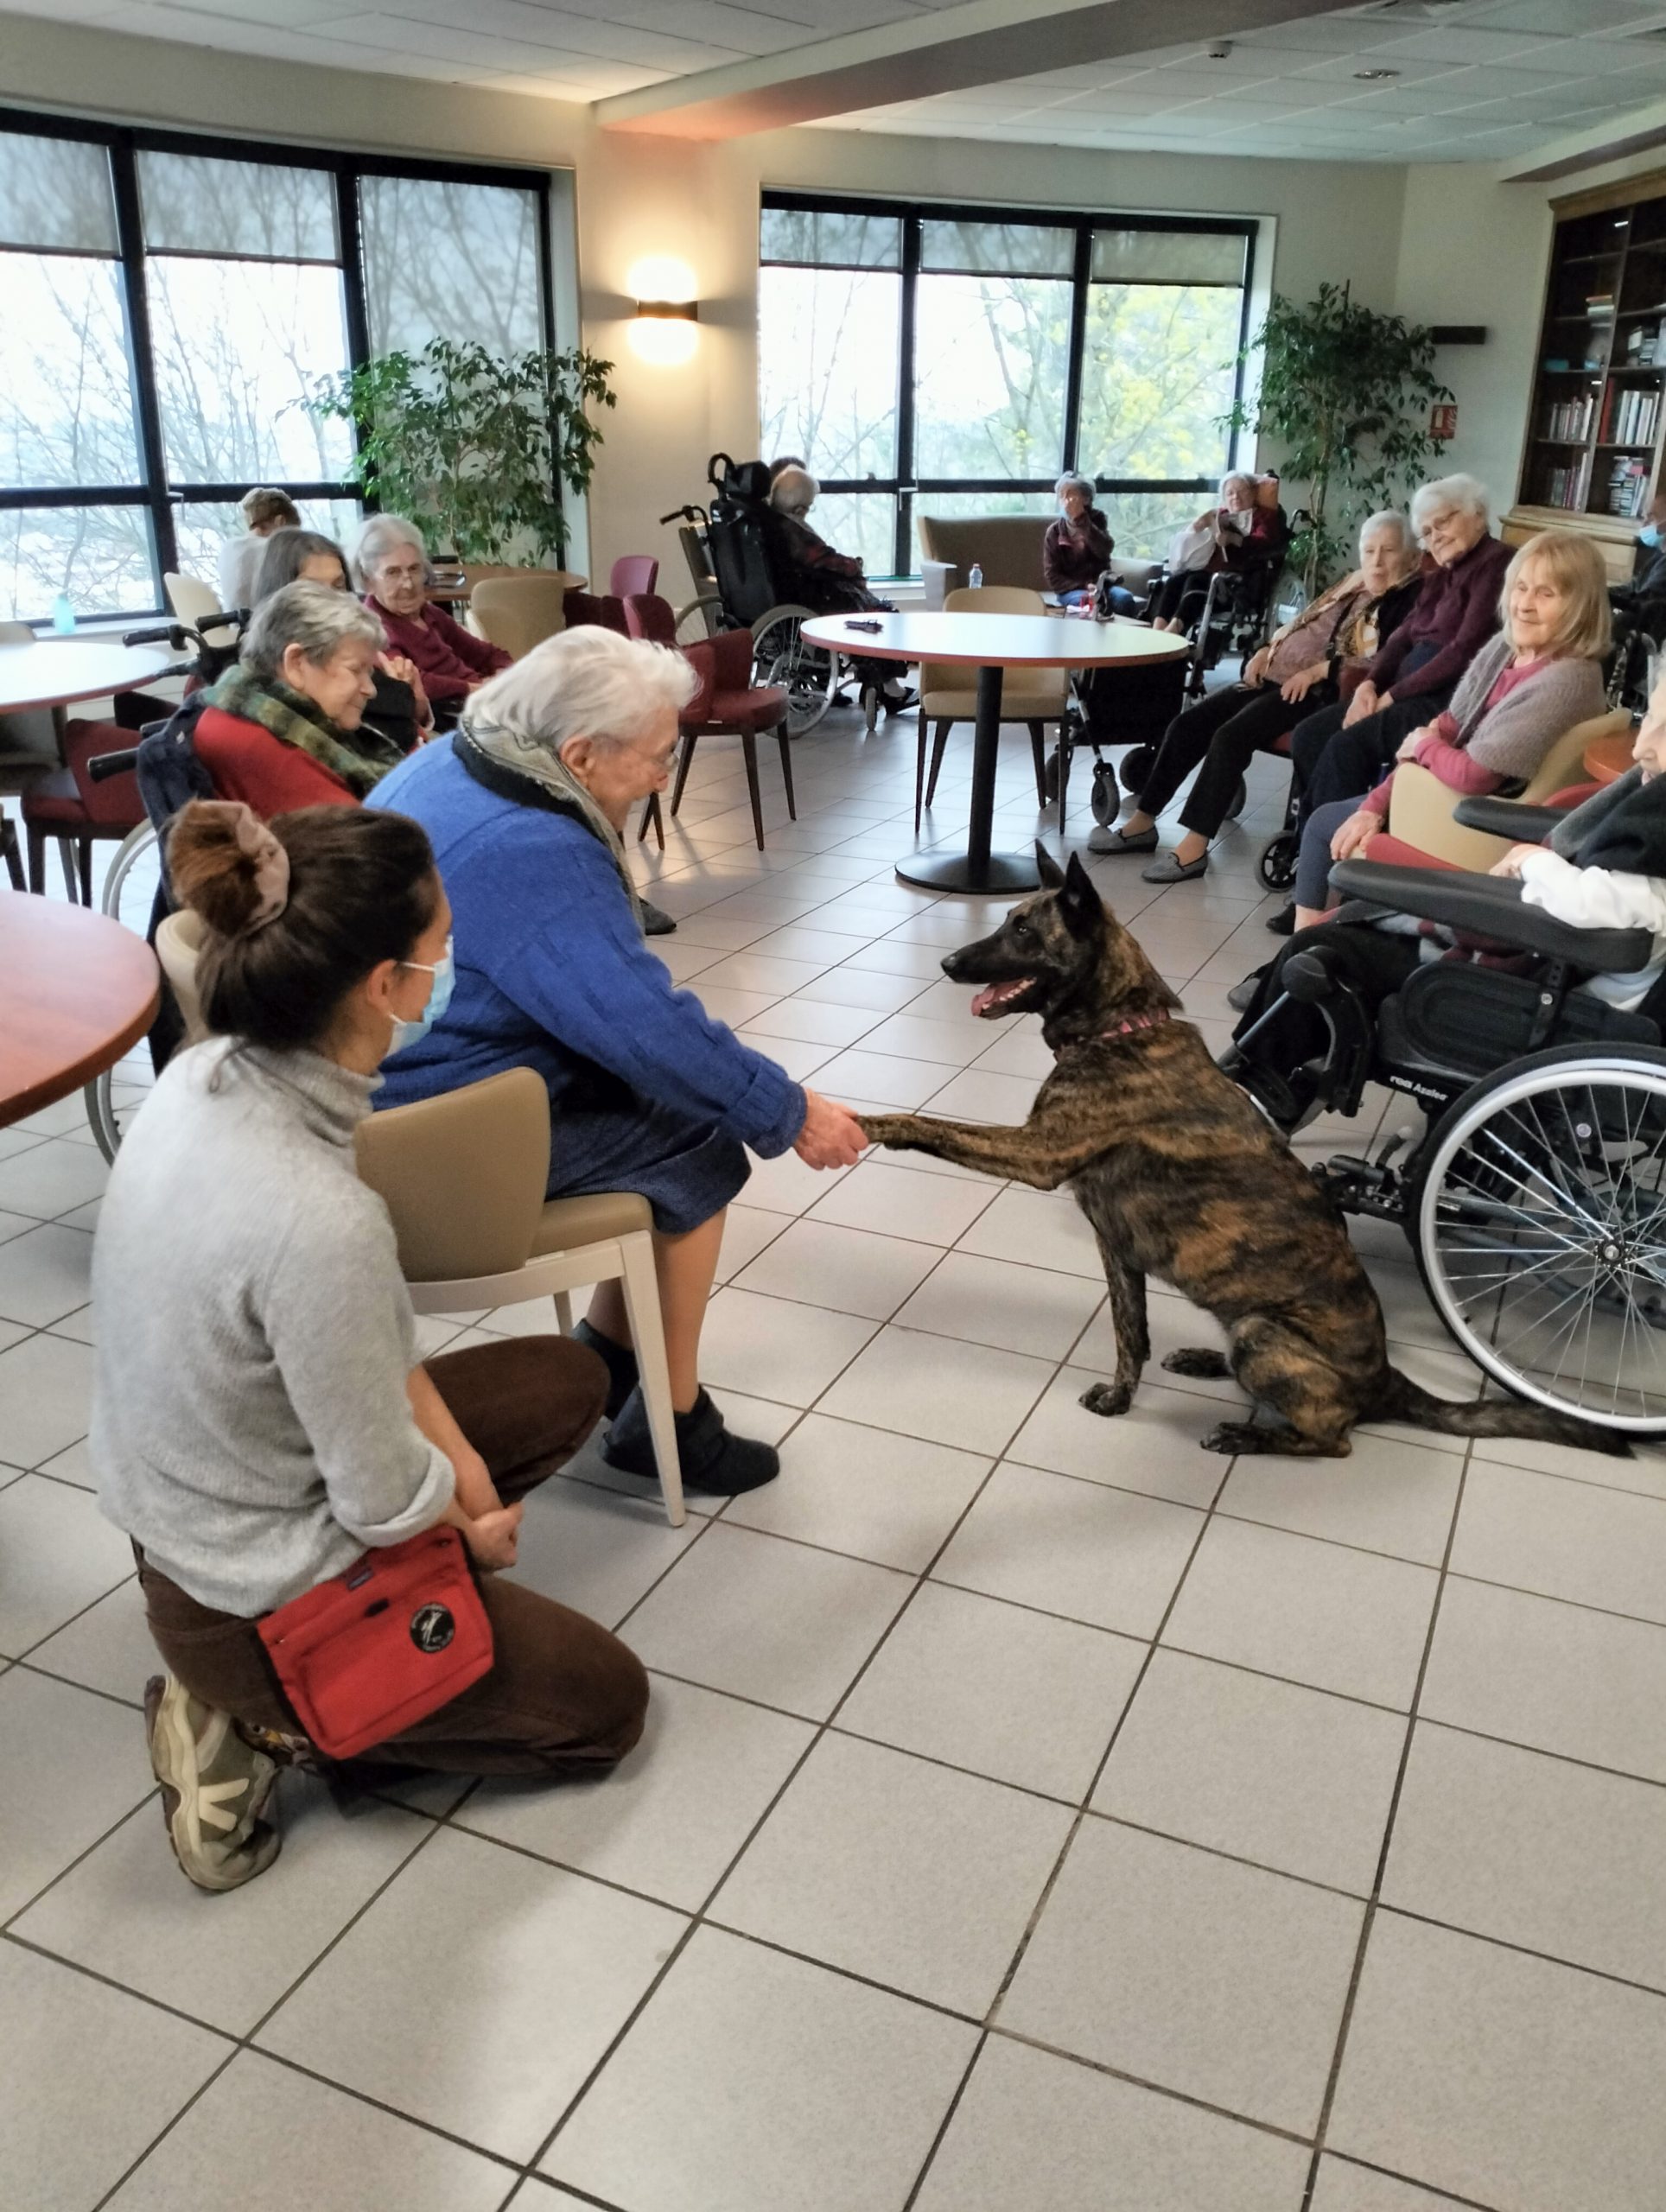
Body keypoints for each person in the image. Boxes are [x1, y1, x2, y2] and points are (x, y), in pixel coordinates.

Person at [92, 798, 647, 1891]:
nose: (451, 970)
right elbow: (380, 1500)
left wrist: (469, 1483)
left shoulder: (213, 1071)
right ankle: (258, 1726)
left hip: (185, 1499)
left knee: (568, 1376)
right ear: (382, 988)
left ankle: (272, 1686)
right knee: (604, 1708)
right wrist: (468, 1534)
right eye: (440, 952)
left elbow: (373, 1361)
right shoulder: (311, 1215)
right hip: (244, 1586)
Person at [366, 626, 868, 1496]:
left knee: (670, 1108)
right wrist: (788, 1112)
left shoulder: (453, 760)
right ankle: (669, 1424)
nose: (665, 778)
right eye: (657, 758)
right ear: (578, 754)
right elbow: (640, 1025)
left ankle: (607, 1347)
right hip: (427, 1137)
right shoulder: (535, 846)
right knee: (701, 1146)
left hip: (383, 1086)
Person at [1226, 681, 1666, 1132]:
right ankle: (1264, 1085)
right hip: (1551, 956)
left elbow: (1614, 911)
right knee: (1340, 939)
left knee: (1324, 948)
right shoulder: (1649, 808)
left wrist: (1537, 861)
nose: (1642, 751)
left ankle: (1248, 1097)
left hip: (1544, 985)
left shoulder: (1656, 829)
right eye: (1650, 718)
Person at [1288, 528, 1610, 926]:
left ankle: (1305, 941)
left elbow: (1473, 773)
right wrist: (1375, 805)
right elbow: (1445, 728)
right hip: (1443, 799)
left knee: (1322, 826)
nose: (1525, 605)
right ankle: (1317, 944)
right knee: (1338, 815)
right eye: (1521, 588)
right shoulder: (1504, 651)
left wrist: (1424, 748)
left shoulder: (1567, 679)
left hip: (1472, 825)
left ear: (1580, 606)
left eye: (1547, 594)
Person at [1093, 510, 1421, 879]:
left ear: (1411, 557)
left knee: (1230, 736)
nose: (1376, 560)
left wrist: (1317, 670)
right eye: (1369, 549)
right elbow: (1302, 622)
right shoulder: (1354, 582)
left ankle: (1194, 847)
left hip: (1316, 690)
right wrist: (1268, 648)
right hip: (1275, 674)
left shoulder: (1407, 598)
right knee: (1189, 723)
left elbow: (1381, 661)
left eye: (1388, 551)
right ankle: (1144, 820)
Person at [1268, 474, 1511, 935]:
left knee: (1344, 748)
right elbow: (1402, 636)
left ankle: (1333, 879)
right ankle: (1315, 857)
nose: (1436, 536)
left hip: (1446, 701)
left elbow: (1463, 651)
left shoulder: (1497, 565)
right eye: (1428, 531)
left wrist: (1389, 696)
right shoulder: (1440, 572)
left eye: (1444, 522)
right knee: (1311, 735)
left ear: (1477, 514)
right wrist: (1370, 685)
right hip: (1398, 690)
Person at [193, 582, 405, 813]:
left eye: (369, 673)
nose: (370, 690)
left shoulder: (253, 708)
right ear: (296, 663)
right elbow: (370, 839)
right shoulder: (261, 745)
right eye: (355, 670)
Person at [254, 526, 433, 753]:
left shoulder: (360, 647)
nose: (332, 600)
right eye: (313, 588)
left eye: (338, 586)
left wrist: (416, 703)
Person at [766, 465, 911, 707]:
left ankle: (832, 684)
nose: (808, 510)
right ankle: (888, 688)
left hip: (792, 595)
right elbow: (823, 559)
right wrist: (855, 565)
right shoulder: (791, 530)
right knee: (879, 617)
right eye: (809, 505)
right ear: (800, 506)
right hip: (812, 599)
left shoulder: (771, 523)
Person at [353, 515, 511, 716]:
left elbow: (487, 654)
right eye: (393, 573)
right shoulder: (373, 628)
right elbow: (413, 682)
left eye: (414, 569)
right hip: (452, 716)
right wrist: (474, 689)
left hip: (483, 702)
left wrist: (504, 675)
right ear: (368, 582)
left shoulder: (428, 613)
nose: (408, 584)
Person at [1147, 471, 1283, 632]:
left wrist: (1234, 539)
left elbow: (1265, 542)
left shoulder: (1264, 516)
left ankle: (1173, 631)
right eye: (1230, 493)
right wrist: (1197, 527)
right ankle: (1158, 631)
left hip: (1239, 581)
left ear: (1253, 492)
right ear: (1224, 498)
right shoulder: (1220, 515)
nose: (1236, 497)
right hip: (1209, 573)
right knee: (1174, 581)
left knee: (1195, 581)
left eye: (1242, 491)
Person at [1044, 474, 1130, 609]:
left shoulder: (1097, 520)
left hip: (1102, 586)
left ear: (1086, 499)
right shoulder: (1054, 532)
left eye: (1071, 496)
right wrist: (1084, 586)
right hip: (1071, 589)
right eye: (1062, 496)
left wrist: (1081, 520)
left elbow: (1104, 550)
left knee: (1124, 599)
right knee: (1088, 602)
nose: (1065, 500)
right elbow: (1052, 574)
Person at [216, 487, 299, 612]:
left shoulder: (227, 549)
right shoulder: (276, 551)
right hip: (267, 628)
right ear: (280, 521)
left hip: (235, 628)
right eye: (294, 535)